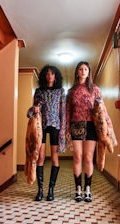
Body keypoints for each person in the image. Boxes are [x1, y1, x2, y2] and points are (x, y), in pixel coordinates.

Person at [27, 65, 66, 201]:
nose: (50, 76)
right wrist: (34, 108)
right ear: (44, 76)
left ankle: (51, 190)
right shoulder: (39, 91)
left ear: (56, 76)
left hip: (55, 125)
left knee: (55, 157)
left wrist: (63, 130)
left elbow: (63, 112)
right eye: (47, 74)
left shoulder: (61, 91)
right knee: (41, 157)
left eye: (52, 74)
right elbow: (31, 112)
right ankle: (40, 190)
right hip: (41, 127)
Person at [66, 61, 102, 203]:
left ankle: (88, 189)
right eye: (80, 69)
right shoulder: (71, 91)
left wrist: (104, 128)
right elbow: (67, 111)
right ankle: (78, 189)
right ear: (77, 72)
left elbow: (101, 110)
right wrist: (67, 129)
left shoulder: (95, 89)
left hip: (91, 125)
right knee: (77, 156)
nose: (82, 71)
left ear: (89, 72)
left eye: (85, 69)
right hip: (76, 124)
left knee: (88, 157)